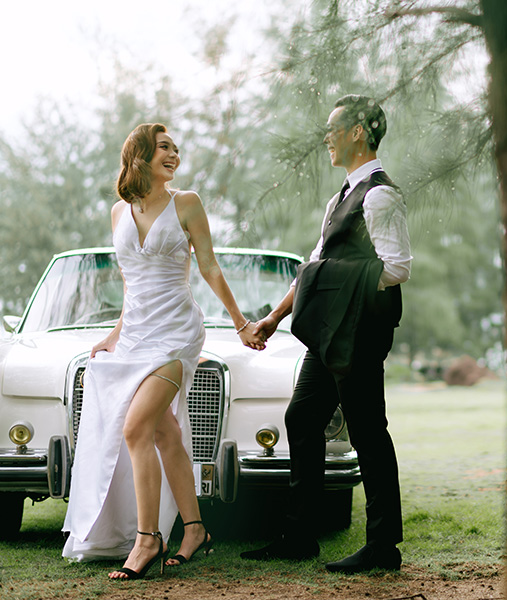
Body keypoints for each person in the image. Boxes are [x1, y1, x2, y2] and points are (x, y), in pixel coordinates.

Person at [62, 123, 265, 580]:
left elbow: (209, 266)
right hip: (134, 333)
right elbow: (131, 282)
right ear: (139, 156)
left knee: (136, 427)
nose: (173, 155)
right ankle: (195, 530)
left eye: (176, 148)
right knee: (164, 432)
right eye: (163, 148)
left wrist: (240, 323)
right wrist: (114, 335)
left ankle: (147, 538)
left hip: (176, 331)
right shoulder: (118, 213)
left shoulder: (186, 203)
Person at [241, 95, 411, 573]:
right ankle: (300, 535)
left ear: (359, 131)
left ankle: (383, 547)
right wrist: (272, 319)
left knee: (367, 433)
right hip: (328, 336)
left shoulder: (381, 195)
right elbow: (312, 268)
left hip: (359, 332)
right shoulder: (340, 198)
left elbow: (396, 268)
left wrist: (339, 285)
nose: (326, 137)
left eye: (333, 128)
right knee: (302, 416)